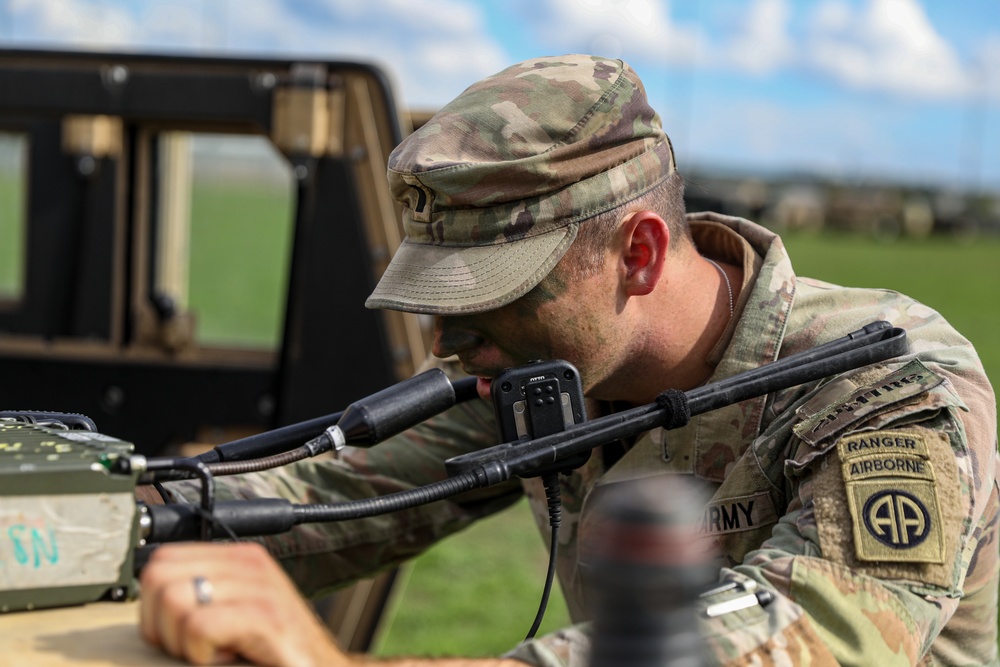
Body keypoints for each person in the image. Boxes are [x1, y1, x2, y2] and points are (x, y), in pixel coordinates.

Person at [138, 54, 999, 666]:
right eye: (439, 297)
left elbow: (804, 639)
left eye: (493, 290)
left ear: (640, 254)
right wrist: (97, 519)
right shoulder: (549, 370)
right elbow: (330, 498)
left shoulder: (888, 387)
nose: (445, 340)